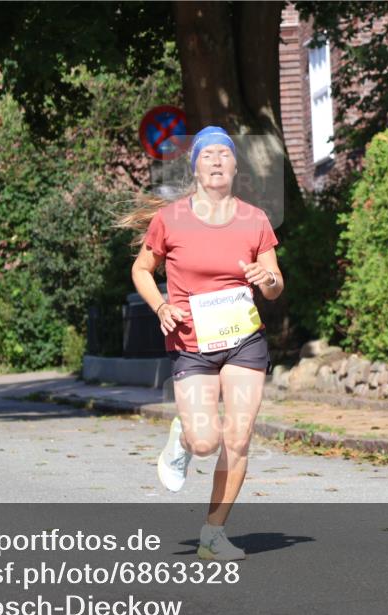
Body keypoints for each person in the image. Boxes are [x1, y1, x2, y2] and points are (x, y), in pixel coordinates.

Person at [123, 126, 284, 561]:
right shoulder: (169, 219)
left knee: (238, 437)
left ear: (235, 166)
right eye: (207, 154)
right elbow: (142, 270)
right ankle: (183, 439)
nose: (216, 160)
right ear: (194, 166)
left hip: (244, 341)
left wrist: (267, 279)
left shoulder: (255, 219)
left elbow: (274, 285)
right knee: (206, 441)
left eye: (224, 155)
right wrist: (160, 307)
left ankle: (214, 533)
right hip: (192, 343)